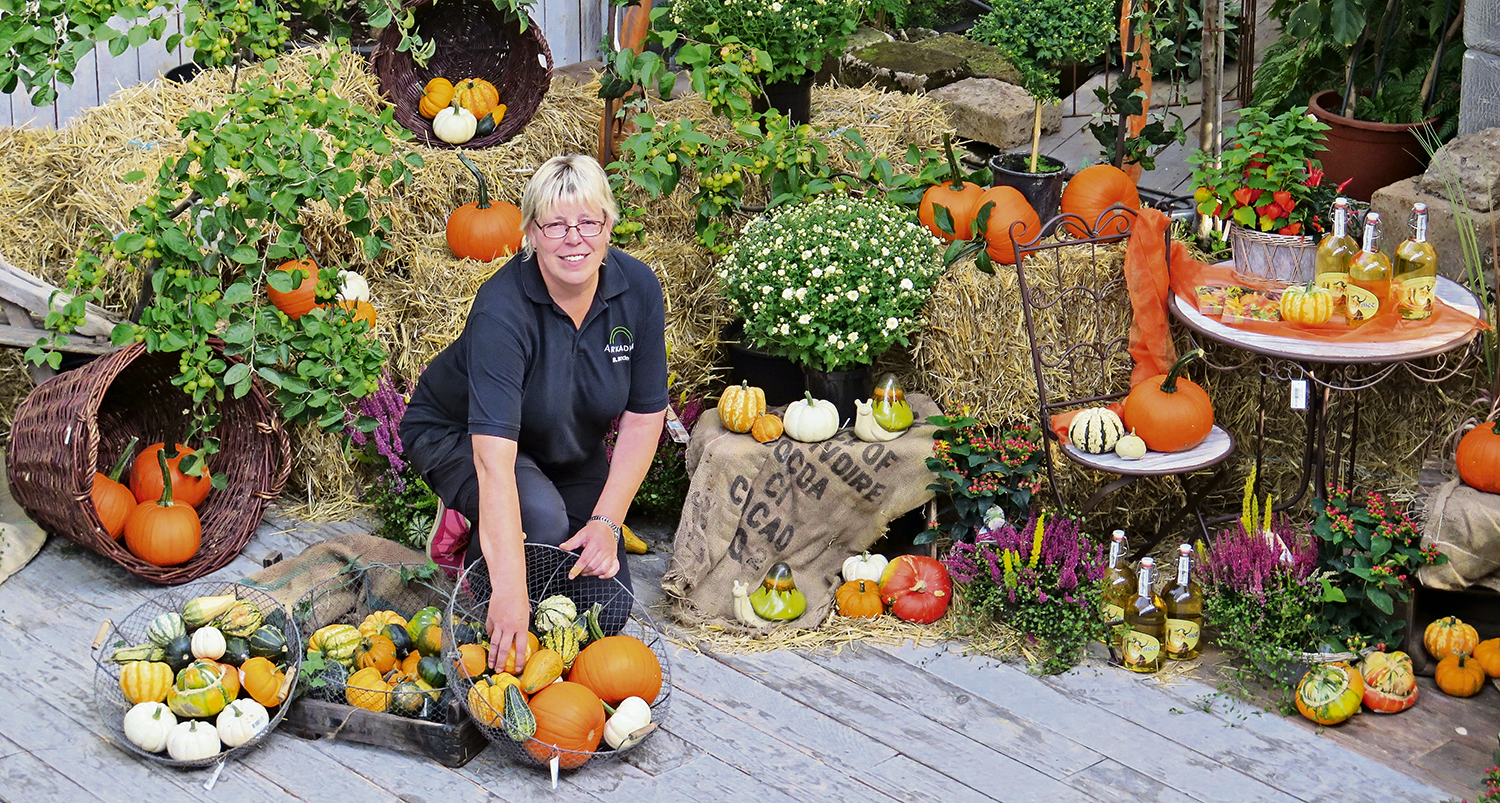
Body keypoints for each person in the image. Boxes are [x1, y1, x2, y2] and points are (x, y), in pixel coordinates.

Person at [400, 154, 668, 673]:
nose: (575, 238)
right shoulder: (502, 308)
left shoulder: (637, 289)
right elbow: (494, 463)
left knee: (606, 613)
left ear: (610, 225)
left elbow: (643, 417)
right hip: (461, 435)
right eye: (555, 225)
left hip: (563, 447)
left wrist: (607, 524)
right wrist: (510, 592)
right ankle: (474, 542)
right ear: (529, 233)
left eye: (589, 222)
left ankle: (508, 532)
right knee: (538, 522)